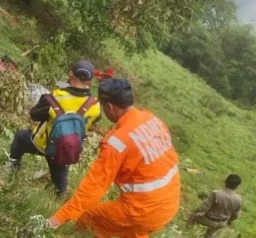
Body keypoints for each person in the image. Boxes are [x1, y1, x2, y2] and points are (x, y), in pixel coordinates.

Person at [47, 78, 181, 238]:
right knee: (129, 230)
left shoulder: (117, 143)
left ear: (110, 107)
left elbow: (93, 188)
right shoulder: (152, 120)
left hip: (142, 211)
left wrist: (58, 218)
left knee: (89, 220)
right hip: (170, 204)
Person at [9, 59, 102, 198]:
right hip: (65, 151)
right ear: (90, 81)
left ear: (70, 74)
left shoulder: (55, 97)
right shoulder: (95, 105)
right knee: (59, 186)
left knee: (20, 137)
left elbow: (34, 115)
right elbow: (92, 123)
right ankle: (60, 193)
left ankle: (13, 166)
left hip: (42, 144)